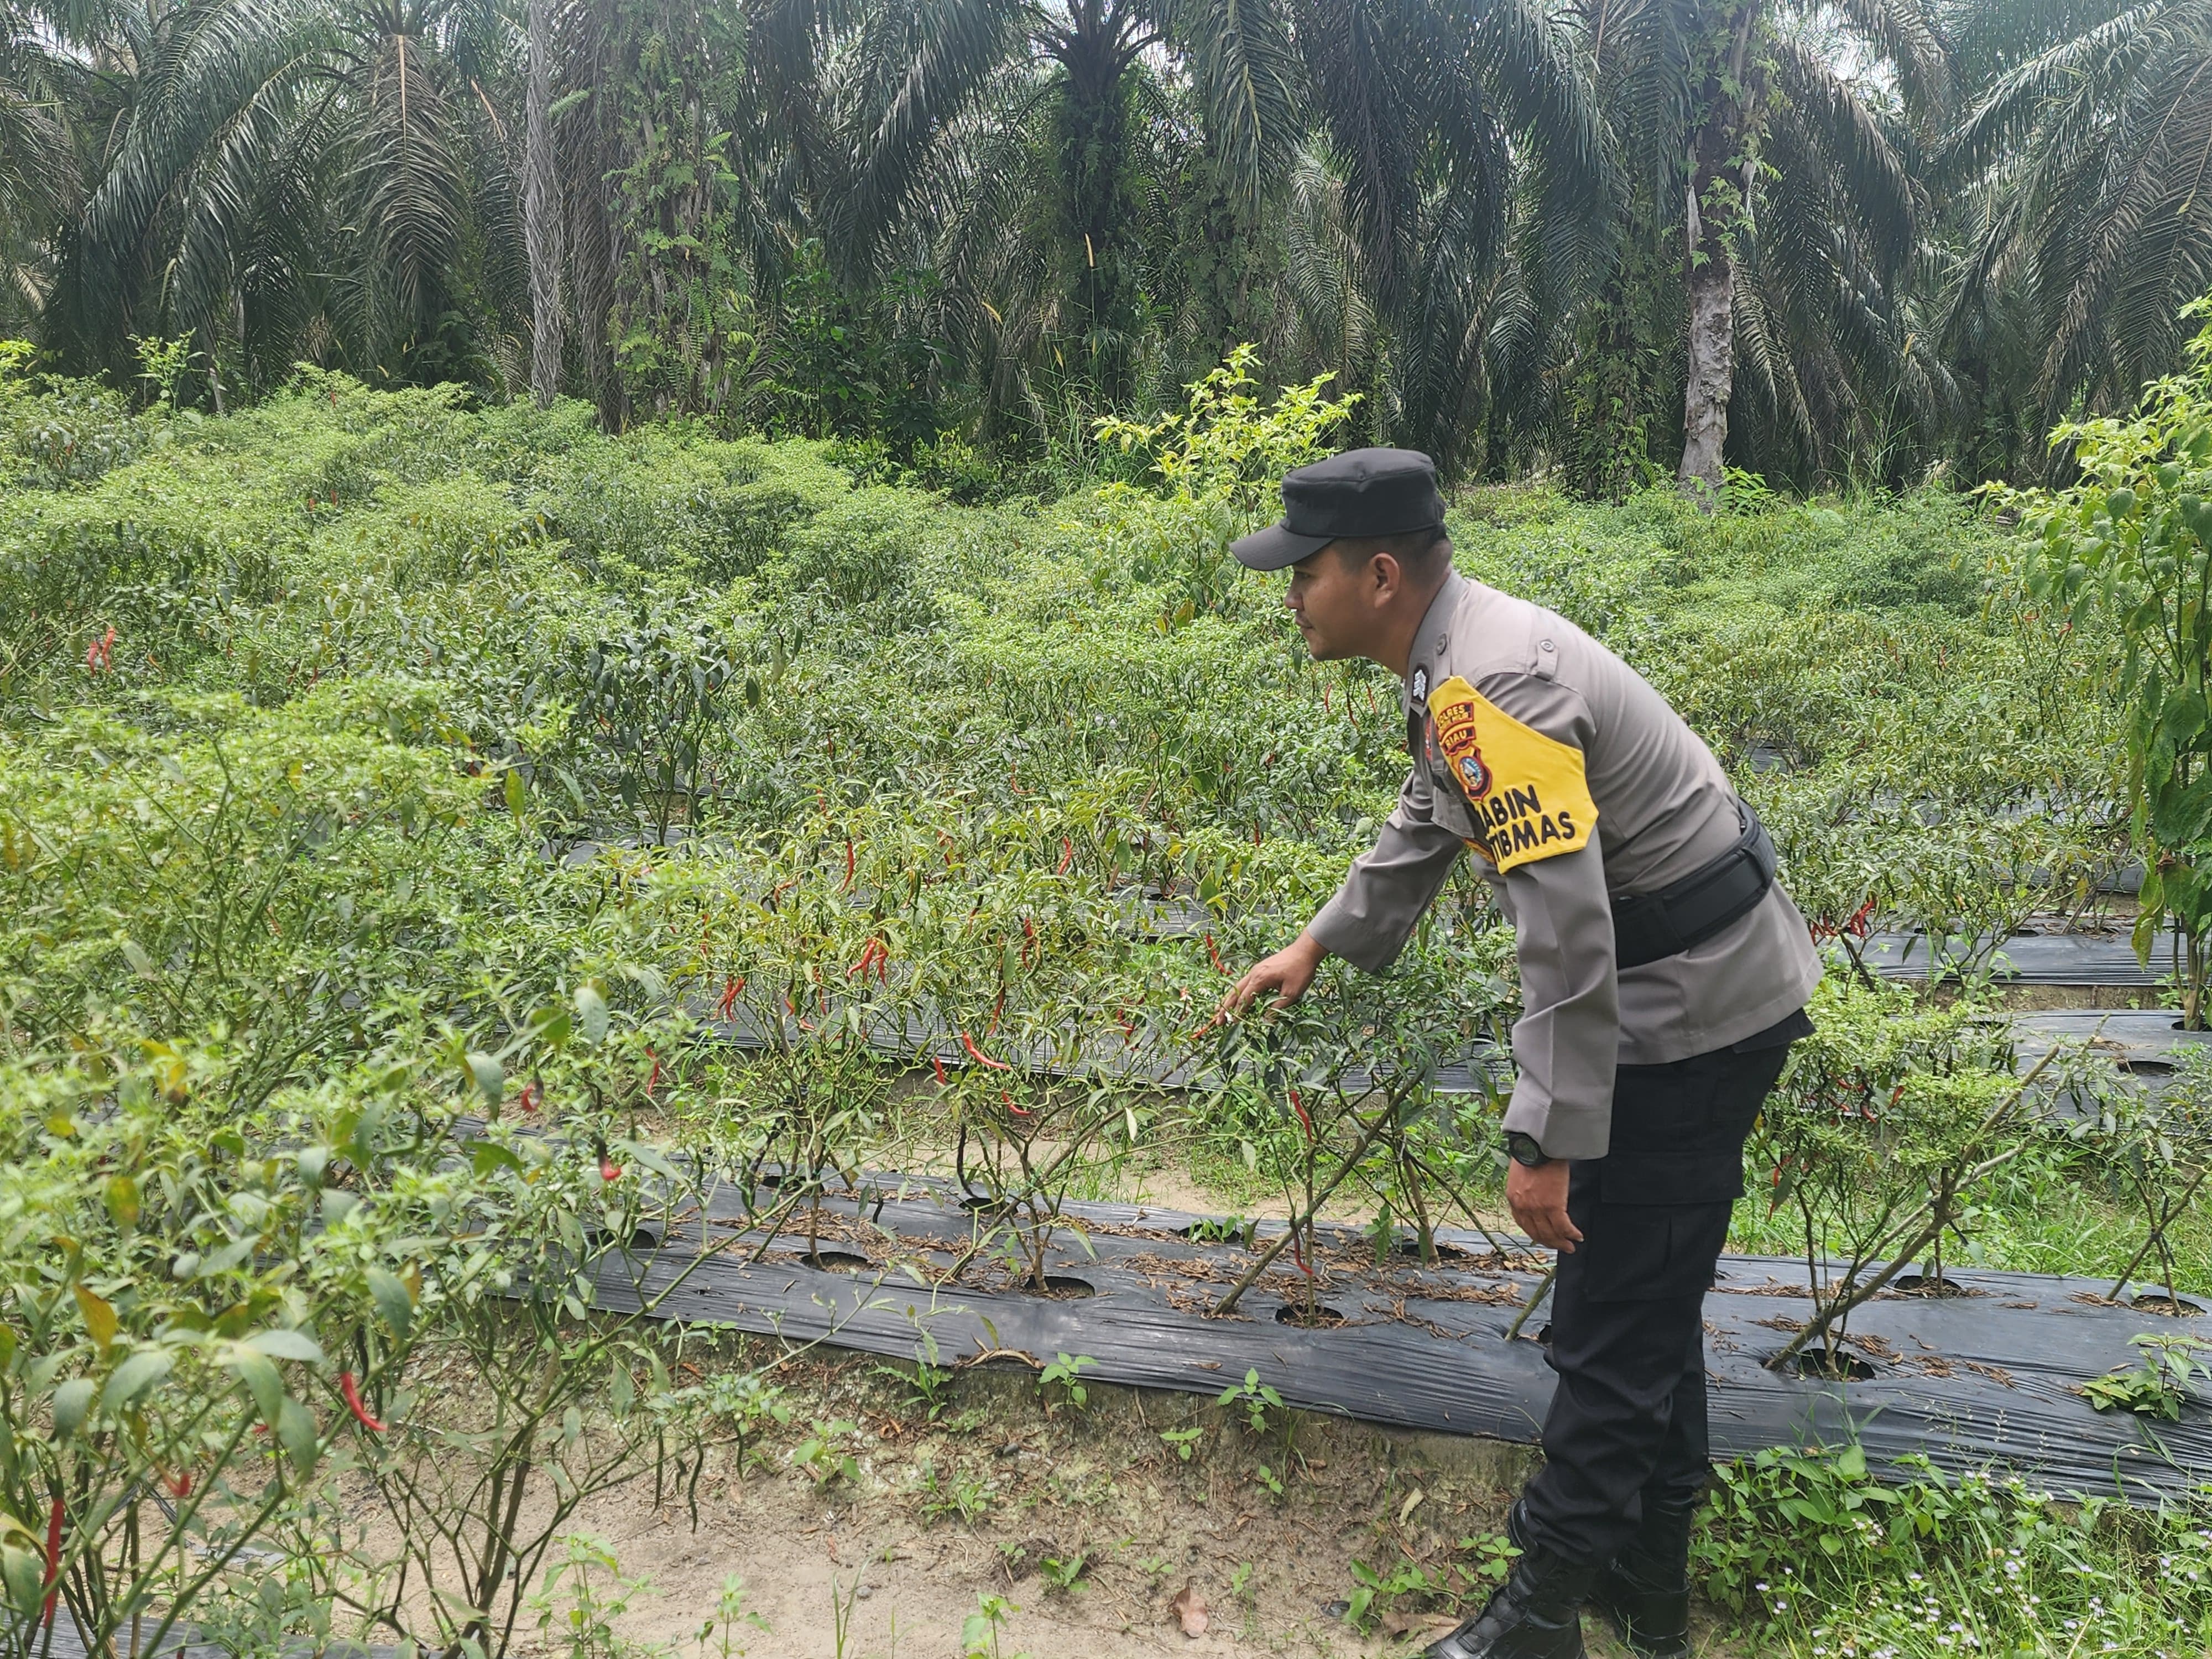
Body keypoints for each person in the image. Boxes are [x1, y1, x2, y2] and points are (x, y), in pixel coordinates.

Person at [1218, 448, 1822, 1659]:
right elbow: (1431, 808)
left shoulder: (1495, 681)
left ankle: (1536, 1616)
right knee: (1638, 1303)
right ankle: (1646, 1593)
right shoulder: (1456, 662)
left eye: (1304, 573)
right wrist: (1320, 941)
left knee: (1608, 1326)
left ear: (1378, 575)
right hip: (1679, 991)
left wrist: (1545, 1135)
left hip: (1691, 1010)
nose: (1289, 596)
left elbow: (1566, 933)